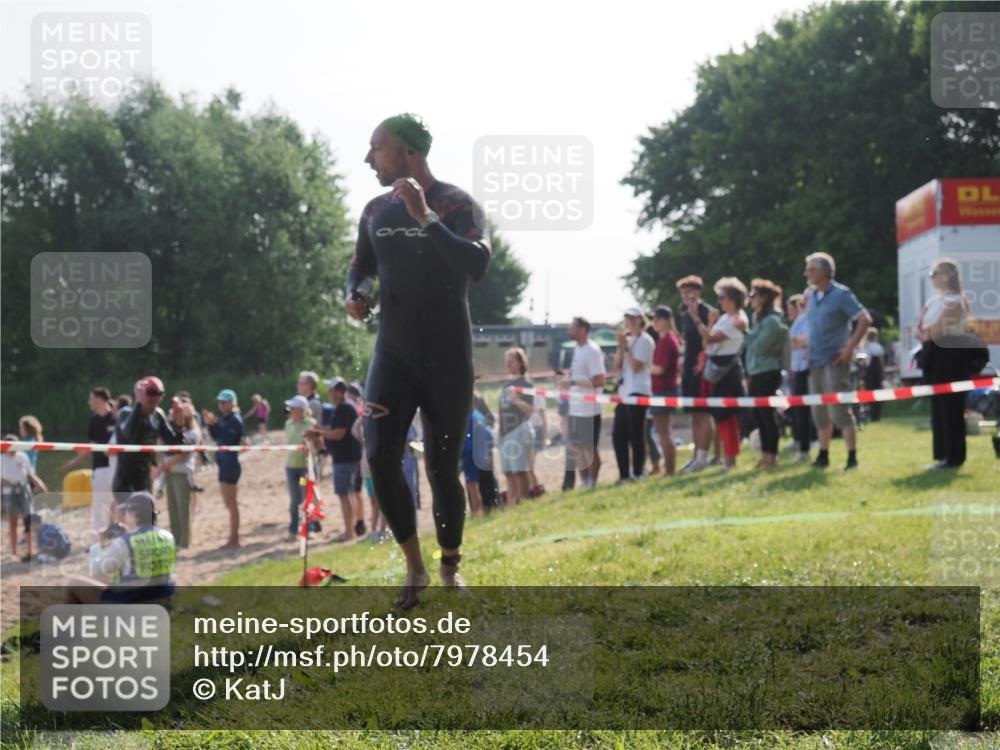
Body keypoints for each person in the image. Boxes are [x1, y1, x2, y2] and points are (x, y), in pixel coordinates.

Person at [346, 113, 490, 607]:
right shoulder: (373, 212)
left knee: (442, 468)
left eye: (377, 148)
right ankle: (415, 567)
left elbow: (477, 264)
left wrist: (424, 215)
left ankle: (450, 564)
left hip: (448, 357)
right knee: (380, 456)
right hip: (393, 353)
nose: (368, 158)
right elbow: (360, 268)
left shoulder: (455, 204)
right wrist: (357, 294)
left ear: (409, 152)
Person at [803, 252, 872, 471]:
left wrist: (849, 349)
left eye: (811, 269)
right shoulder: (812, 296)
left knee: (839, 410)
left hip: (835, 361)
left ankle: (852, 457)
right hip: (815, 360)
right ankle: (823, 455)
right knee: (819, 411)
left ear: (824, 271)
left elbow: (864, 319)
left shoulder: (841, 294)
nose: (806, 273)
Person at [66, 491, 176, 605]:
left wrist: (99, 543)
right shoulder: (168, 536)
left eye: (125, 512)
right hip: (163, 600)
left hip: (132, 603)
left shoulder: (125, 541)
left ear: (133, 514)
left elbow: (96, 570)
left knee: (73, 584)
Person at [916, 258, 973, 469]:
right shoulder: (933, 301)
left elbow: (935, 332)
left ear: (947, 276)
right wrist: (925, 333)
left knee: (951, 409)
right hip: (934, 357)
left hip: (951, 358)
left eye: (935, 273)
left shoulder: (956, 301)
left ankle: (954, 456)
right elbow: (919, 327)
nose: (932, 278)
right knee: (938, 409)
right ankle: (942, 455)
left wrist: (926, 333)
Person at [690, 278, 749, 472]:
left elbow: (709, 338)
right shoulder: (725, 318)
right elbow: (707, 344)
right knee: (720, 416)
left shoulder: (738, 319)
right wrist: (710, 322)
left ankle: (730, 461)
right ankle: (725, 458)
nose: (719, 301)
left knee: (727, 417)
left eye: (722, 297)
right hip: (717, 370)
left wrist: (696, 318)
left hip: (728, 371)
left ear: (732, 299)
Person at [309, 378, 364, 541]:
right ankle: (350, 530)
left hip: (345, 458)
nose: (329, 393)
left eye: (331, 390)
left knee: (344, 495)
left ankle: (349, 532)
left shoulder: (344, 408)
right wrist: (320, 430)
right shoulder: (343, 407)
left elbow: (339, 434)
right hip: (347, 457)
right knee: (348, 494)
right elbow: (336, 430)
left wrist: (318, 433)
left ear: (340, 392)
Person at [112, 376, 184, 495]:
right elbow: (128, 434)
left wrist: (179, 423)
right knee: (138, 511)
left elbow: (175, 444)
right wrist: (139, 405)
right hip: (125, 482)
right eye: (151, 401)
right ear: (140, 396)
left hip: (144, 480)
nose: (154, 404)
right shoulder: (125, 413)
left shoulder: (158, 414)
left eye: (158, 399)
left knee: (149, 513)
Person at [745, 279, 789, 469]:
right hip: (756, 372)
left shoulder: (772, 321)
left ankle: (773, 455)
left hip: (768, 373)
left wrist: (744, 332)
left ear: (764, 298)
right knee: (758, 416)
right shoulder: (759, 320)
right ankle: (765, 454)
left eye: (753, 295)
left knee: (767, 415)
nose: (750, 299)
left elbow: (760, 347)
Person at [559, 317, 607, 491]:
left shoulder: (592, 350)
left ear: (583, 329)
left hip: (589, 409)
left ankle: (592, 482)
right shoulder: (578, 349)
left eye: (573, 328)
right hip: (575, 406)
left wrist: (573, 382)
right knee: (577, 447)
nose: (569, 331)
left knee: (589, 447)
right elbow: (577, 376)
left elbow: (599, 381)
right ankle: (584, 482)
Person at [676, 276, 718, 474]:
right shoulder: (685, 314)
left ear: (698, 292)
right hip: (689, 370)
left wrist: (696, 317)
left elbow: (707, 341)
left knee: (704, 413)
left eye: (689, 291)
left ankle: (704, 455)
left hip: (703, 369)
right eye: (683, 292)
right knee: (694, 414)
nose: (685, 296)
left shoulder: (707, 312)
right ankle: (696, 457)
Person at [60, 387, 116, 533]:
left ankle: (115, 533)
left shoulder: (116, 417)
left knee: (115, 503)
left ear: (99, 399)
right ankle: (99, 535)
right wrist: (73, 461)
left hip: (117, 468)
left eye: (91, 399)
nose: (89, 402)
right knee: (99, 504)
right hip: (100, 468)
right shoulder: (93, 421)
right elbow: (91, 447)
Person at [612, 308, 655, 483]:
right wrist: (621, 348)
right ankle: (624, 475)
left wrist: (627, 347)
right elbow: (616, 367)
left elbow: (637, 366)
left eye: (631, 318)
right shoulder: (628, 341)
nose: (627, 321)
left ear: (639, 320)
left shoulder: (646, 340)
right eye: (626, 318)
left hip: (639, 391)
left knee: (636, 434)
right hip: (624, 392)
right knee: (618, 435)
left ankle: (638, 472)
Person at [202, 389, 244, 549]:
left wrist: (216, 424)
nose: (221, 405)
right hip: (224, 463)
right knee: (228, 503)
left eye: (224, 402)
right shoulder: (226, 419)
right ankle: (233, 537)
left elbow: (230, 439)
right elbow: (217, 437)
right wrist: (211, 424)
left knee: (232, 503)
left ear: (232, 403)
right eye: (220, 402)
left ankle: (234, 538)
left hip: (230, 464)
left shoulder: (235, 419)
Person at [159, 399, 201, 549]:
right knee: (172, 508)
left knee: (183, 508)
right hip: (170, 472)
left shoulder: (192, 433)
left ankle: (184, 541)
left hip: (181, 472)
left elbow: (184, 453)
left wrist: (166, 465)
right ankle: (175, 539)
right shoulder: (171, 432)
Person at [499, 348, 535, 505]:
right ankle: (512, 504)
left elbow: (530, 410)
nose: (508, 363)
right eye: (507, 360)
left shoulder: (525, 383)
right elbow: (502, 410)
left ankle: (524, 502)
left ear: (520, 362)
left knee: (520, 471)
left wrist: (517, 401)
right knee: (508, 471)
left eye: (512, 360)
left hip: (519, 428)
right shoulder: (506, 384)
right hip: (506, 432)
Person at [2, 437, 47, 562]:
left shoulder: (22, 456)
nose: (12, 451)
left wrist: (40, 484)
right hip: (9, 492)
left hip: (23, 490)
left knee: (28, 520)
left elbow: (30, 474)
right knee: (13, 522)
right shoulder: (1, 460)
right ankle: (13, 552)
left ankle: (29, 551)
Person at [649, 305, 681, 476]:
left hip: (665, 391)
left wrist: (645, 366)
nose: (654, 322)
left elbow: (659, 369)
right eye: (654, 319)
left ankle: (670, 470)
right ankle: (668, 469)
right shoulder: (664, 340)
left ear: (667, 321)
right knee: (663, 432)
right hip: (661, 391)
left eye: (658, 319)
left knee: (664, 433)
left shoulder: (668, 340)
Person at [283, 395, 320, 541]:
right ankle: (293, 530)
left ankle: (310, 529)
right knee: (294, 500)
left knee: (307, 498)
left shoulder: (311, 423)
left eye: (293, 408)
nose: (290, 410)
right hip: (291, 467)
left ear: (301, 409)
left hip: (305, 468)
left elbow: (317, 442)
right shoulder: (288, 424)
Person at [787, 291, 815, 461]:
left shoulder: (812, 318)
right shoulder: (801, 319)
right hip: (797, 367)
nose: (803, 303)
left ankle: (810, 444)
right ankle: (802, 445)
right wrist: (799, 342)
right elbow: (791, 343)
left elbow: (808, 340)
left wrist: (800, 342)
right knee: (799, 410)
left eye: (807, 299)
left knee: (809, 409)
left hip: (808, 368)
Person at [862, 328, 885, 422]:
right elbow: (881, 361)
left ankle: (871, 414)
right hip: (877, 371)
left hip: (869, 372)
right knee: (878, 391)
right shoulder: (878, 346)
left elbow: (864, 362)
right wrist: (882, 371)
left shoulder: (866, 347)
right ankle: (877, 415)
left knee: (870, 391)